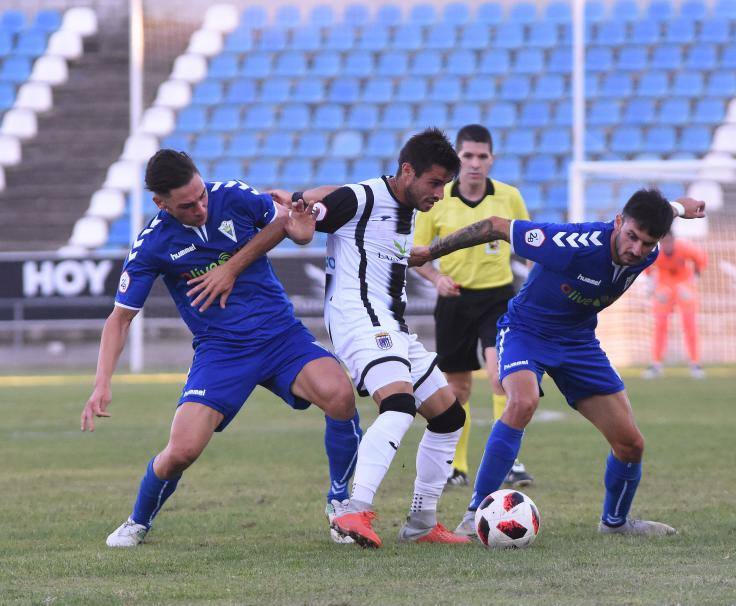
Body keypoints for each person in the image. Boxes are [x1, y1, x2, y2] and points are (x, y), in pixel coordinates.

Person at [187, 129, 470, 549]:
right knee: (398, 405)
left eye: (445, 185)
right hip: (361, 320)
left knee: (449, 418)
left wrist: (299, 192)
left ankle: (422, 522)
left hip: (393, 324)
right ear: (407, 171)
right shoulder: (365, 198)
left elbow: (332, 203)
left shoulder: (399, 205)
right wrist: (291, 211)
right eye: (434, 183)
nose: (440, 194)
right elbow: (301, 219)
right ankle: (354, 509)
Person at [81, 149, 362, 548]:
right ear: (161, 204)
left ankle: (340, 502)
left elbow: (285, 222)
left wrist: (230, 267)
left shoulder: (232, 195)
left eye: (201, 196)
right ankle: (138, 520)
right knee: (182, 451)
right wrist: (101, 383)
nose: (200, 207)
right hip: (222, 352)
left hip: (280, 335)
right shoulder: (152, 244)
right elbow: (119, 318)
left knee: (339, 394)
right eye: (186, 204)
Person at [409, 189, 706, 537]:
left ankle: (615, 523)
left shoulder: (648, 248)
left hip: (579, 342)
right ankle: (475, 514)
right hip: (526, 331)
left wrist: (680, 208)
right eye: (632, 237)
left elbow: (665, 209)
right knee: (522, 401)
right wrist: (430, 252)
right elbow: (494, 225)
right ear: (618, 222)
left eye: (647, 243)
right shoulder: (571, 243)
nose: (637, 250)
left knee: (631, 445)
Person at [412, 124, 533, 489]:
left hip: (498, 298)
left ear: (492, 159)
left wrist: (531, 288)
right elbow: (416, 255)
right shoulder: (439, 198)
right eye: (468, 156)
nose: (475, 163)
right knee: (458, 388)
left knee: (500, 377)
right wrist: (437, 280)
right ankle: (457, 466)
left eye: (482, 156)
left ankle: (509, 463)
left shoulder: (509, 197)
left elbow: (528, 245)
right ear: (458, 158)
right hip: (454, 302)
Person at [641, 231, 708, 379]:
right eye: (664, 242)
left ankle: (695, 363)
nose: (667, 245)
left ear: (674, 240)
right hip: (664, 286)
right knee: (660, 324)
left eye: (669, 242)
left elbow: (701, 259)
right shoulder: (655, 252)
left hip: (684, 284)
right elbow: (647, 269)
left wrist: (692, 282)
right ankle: (656, 364)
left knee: (689, 324)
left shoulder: (685, 247)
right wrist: (652, 288)